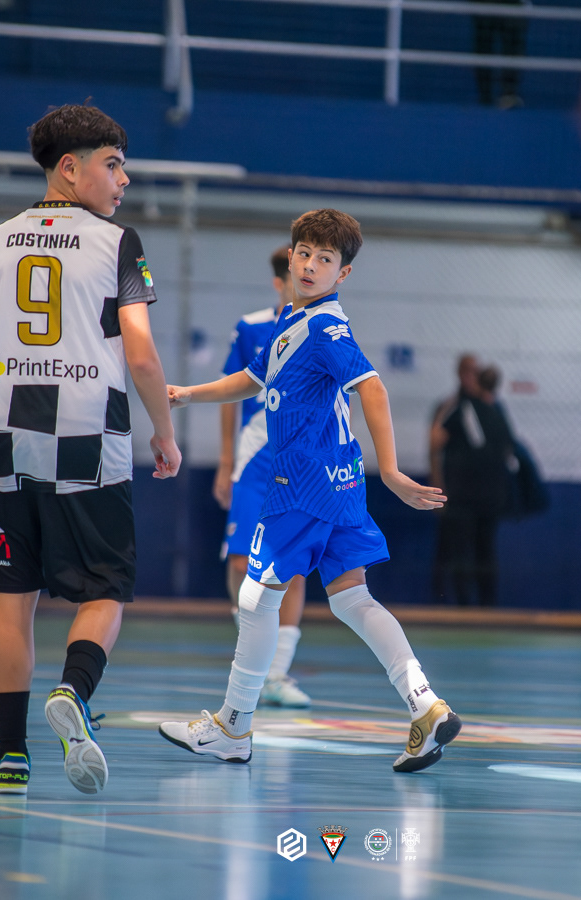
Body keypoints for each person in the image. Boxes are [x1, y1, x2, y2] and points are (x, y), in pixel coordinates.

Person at [158, 209, 463, 773]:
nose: (310, 265)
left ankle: (232, 727)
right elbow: (251, 379)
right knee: (352, 598)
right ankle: (425, 704)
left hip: (302, 482)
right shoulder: (290, 322)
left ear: (342, 274)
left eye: (326, 259)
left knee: (256, 597)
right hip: (339, 484)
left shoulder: (326, 327)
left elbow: (372, 387)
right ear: (292, 255)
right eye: (304, 253)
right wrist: (187, 394)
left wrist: (392, 471)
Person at [0, 103, 181, 796]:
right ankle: (73, 691)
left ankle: (10, 757)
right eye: (114, 165)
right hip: (88, 438)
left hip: (3, 440)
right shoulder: (118, 243)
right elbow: (141, 354)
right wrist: (163, 431)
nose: (124, 180)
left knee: (11, 599)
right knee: (106, 587)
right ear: (70, 169)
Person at [212, 245, 311, 708]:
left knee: (294, 565)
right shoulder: (252, 328)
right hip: (254, 463)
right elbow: (229, 393)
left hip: (300, 465)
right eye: (297, 272)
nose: (307, 278)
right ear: (279, 280)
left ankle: (276, 673)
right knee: (240, 562)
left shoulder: (326, 328)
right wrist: (225, 460)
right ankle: (254, 653)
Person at [429, 355, 513, 606]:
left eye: (475, 372)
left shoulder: (494, 408)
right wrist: (437, 489)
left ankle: (487, 606)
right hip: (460, 495)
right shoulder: (452, 407)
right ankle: (462, 606)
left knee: (485, 550)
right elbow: (434, 445)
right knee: (457, 551)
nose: (471, 377)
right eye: (466, 372)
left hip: (488, 495)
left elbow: (507, 446)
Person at [469, 0, 527, 109]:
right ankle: (485, 96)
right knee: (484, 45)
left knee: (511, 45)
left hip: (513, 5)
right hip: (484, 5)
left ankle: (508, 95)